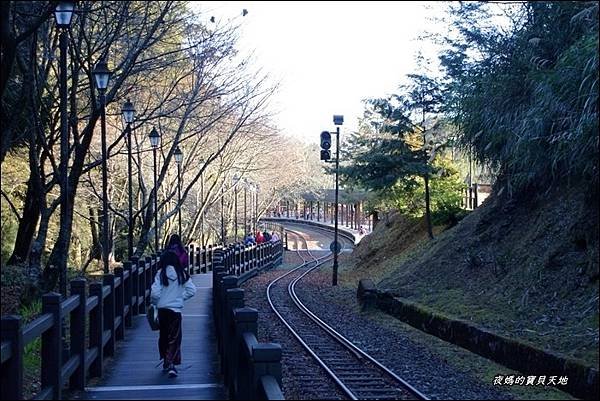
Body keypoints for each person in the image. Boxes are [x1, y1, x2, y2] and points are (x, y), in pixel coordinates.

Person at [151, 251, 196, 377]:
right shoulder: (181, 273)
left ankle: (166, 361)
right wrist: (180, 298)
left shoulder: (161, 273)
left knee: (164, 336)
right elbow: (192, 290)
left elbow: (155, 293)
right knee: (174, 338)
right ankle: (170, 363)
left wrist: (155, 303)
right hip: (175, 311)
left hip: (162, 310)